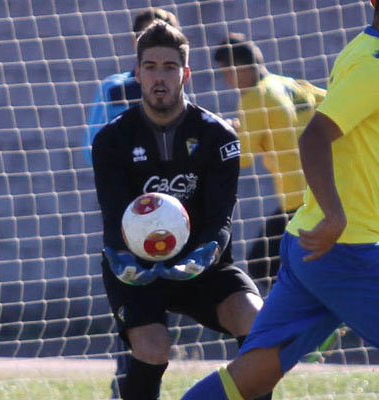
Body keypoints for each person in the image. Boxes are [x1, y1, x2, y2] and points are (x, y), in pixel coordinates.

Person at [182, 1, 379, 399]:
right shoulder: (378, 67)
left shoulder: (363, 52)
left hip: (309, 242)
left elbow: (360, 139)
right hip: (347, 249)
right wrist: (334, 215)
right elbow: (314, 136)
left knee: (252, 375)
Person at [92, 21, 270, 400]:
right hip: (137, 267)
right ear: (137, 73)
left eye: (170, 67)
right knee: (153, 349)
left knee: (257, 322)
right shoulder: (111, 140)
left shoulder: (219, 136)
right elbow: (112, 219)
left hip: (203, 263)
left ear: (185, 74)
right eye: (151, 67)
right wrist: (122, 259)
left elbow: (221, 219)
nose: (160, 77)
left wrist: (204, 256)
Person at [85, 9, 179, 397]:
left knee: (166, 300)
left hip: (172, 211)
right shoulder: (114, 89)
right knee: (133, 297)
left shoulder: (176, 86)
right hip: (129, 213)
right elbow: (93, 143)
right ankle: (125, 384)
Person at [214, 33, 326, 294]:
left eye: (226, 73)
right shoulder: (291, 85)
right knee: (295, 265)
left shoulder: (254, 97)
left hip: (298, 201)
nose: (227, 81)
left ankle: (308, 317)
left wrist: (230, 132)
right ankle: (314, 315)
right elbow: (330, 103)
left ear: (239, 68)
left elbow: (242, 158)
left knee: (259, 263)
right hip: (325, 191)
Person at [85, 8, 179, 165]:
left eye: (163, 39)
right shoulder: (114, 89)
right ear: (134, 42)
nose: (155, 46)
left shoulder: (178, 90)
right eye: (147, 38)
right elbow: (92, 147)